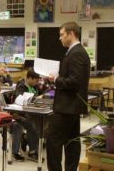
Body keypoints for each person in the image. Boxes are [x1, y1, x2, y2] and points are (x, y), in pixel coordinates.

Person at [46, 22, 90, 171]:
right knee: (71, 142)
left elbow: (75, 81)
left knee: (53, 141)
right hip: (71, 106)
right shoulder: (76, 51)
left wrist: (56, 79)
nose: (60, 38)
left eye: (62, 34)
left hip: (67, 107)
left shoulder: (76, 52)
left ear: (71, 34)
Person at [0, 75, 25, 161]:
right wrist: (10, 115)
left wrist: (13, 110)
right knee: (17, 126)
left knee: (22, 121)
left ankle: (17, 145)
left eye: (0, 85)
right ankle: (14, 152)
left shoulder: (0, 95)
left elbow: (5, 107)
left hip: (4, 117)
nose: (0, 87)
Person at [14, 69, 42, 161]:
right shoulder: (21, 86)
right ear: (29, 78)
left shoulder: (34, 87)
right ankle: (32, 152)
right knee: (34, 126)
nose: (36, 83)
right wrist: (35, 98)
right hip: (20, 114)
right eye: (35, 81)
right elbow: (19, 98)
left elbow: (40, 95)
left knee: (43, 123)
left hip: (32, 112)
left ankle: (26, 138)